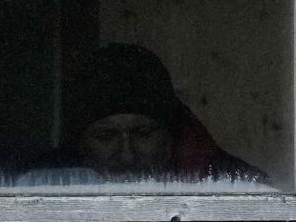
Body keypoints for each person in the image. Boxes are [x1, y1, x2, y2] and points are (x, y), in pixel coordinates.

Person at [17, 43, 262, 184]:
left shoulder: (229, 182)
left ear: (170, 133)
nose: (127, 155)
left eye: (143, 133)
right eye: (106, 136)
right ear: (79, 141)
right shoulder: (42, 183)